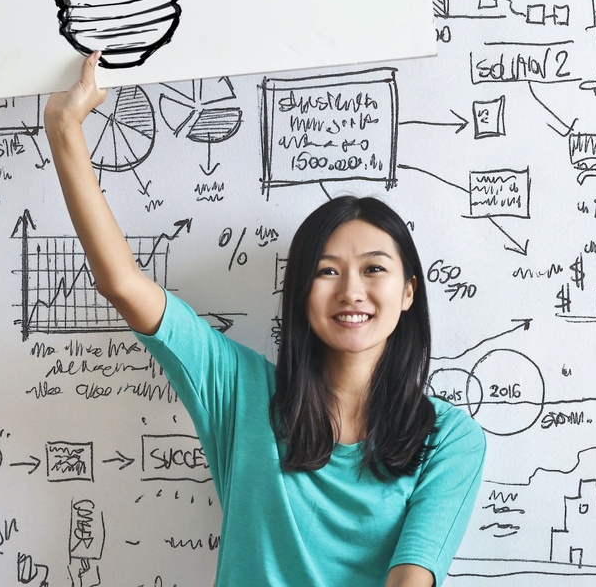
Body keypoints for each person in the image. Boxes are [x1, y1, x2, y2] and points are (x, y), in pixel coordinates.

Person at [45, 52, 486, 587]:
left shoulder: (449, 437)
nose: (352, 291)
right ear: (301, 292)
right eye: (327, 271)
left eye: (374, 269)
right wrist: (65, 128)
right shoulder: (241, 391)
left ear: (409, 292)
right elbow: (123, 284)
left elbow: (411, 581)